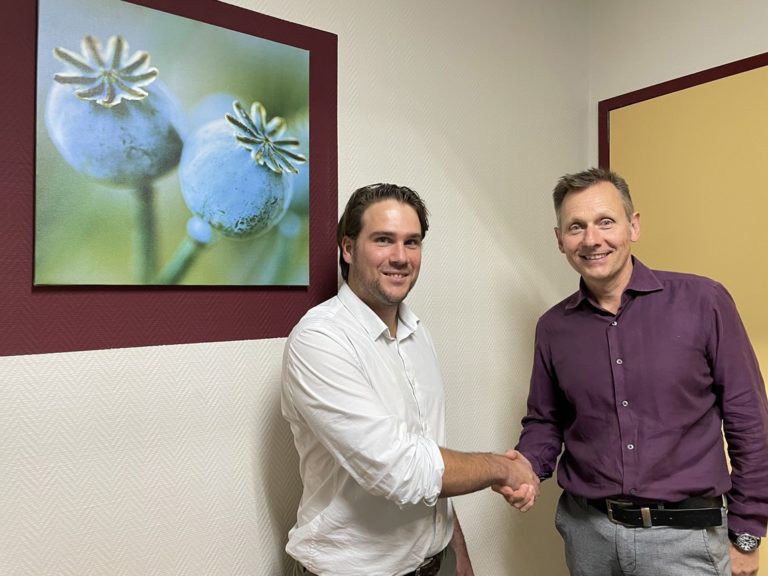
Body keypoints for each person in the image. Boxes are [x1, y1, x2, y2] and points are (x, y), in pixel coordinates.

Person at [509, 167, 768, 576]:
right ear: (559, 240)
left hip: (687, 540)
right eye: (575, 227)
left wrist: (748, 533)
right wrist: (525, 465)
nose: (592, 239)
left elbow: (749, 421)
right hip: (587, 535)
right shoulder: (553, 327)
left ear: (633, 226)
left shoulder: (705, 302)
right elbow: (546, 420)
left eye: (605, 222)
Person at [281, 183, 539, 576]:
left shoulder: (417, 332)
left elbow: (428, 456)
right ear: (348, 248)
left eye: (412, 242)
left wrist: (457, 553)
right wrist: (503, 468)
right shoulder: (320, 340)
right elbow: (401, 470)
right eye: (384, 240)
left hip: (435, 564)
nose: (400, 257)